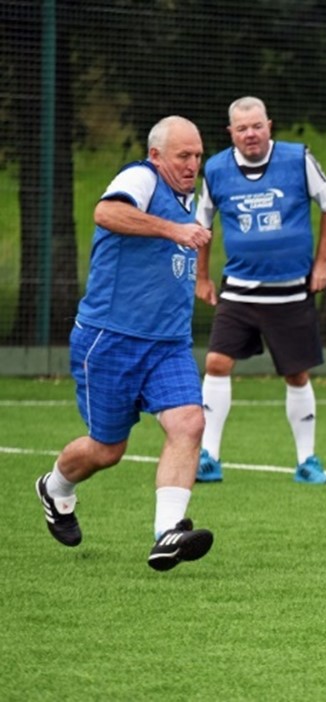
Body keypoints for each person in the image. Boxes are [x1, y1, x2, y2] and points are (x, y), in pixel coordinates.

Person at [34, 116, 215, 571]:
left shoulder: (189, 195)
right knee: (107, 450)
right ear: (156, 155)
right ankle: (55, 488)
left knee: (190, 423)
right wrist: (173, 230)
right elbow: (106, 213)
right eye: (183, 155)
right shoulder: (140, 178)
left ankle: (168, 532)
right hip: (110, 339)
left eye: (197, 155)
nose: (192, 163)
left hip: (169, 343)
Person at [194, 96, 326, 485]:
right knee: (216, 363)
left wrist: (322, 263)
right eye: (242, 128)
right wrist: (202, 277)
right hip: (239, 291)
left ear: (269, 126)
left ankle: (307, 461)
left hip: (290, 291)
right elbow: (202, 224)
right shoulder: (216, 169)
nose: (251, 134)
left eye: (257, 126)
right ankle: (209, 457)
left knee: (296, 373)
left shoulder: (297, 158)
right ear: (231, 133)